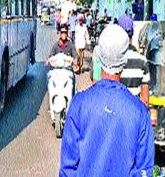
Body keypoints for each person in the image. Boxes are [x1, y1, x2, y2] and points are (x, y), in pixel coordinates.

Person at [60, 25, 154, 176]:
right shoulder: (140, 112)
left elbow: (67, 168)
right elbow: (144, 171)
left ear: (99, 56)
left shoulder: (79, 104)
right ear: (124, 60)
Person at [118, 16, 150, 107]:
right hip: (134, 113)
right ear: (132, 34)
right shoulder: (142, 61)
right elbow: (145, 99)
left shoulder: (113, 59)